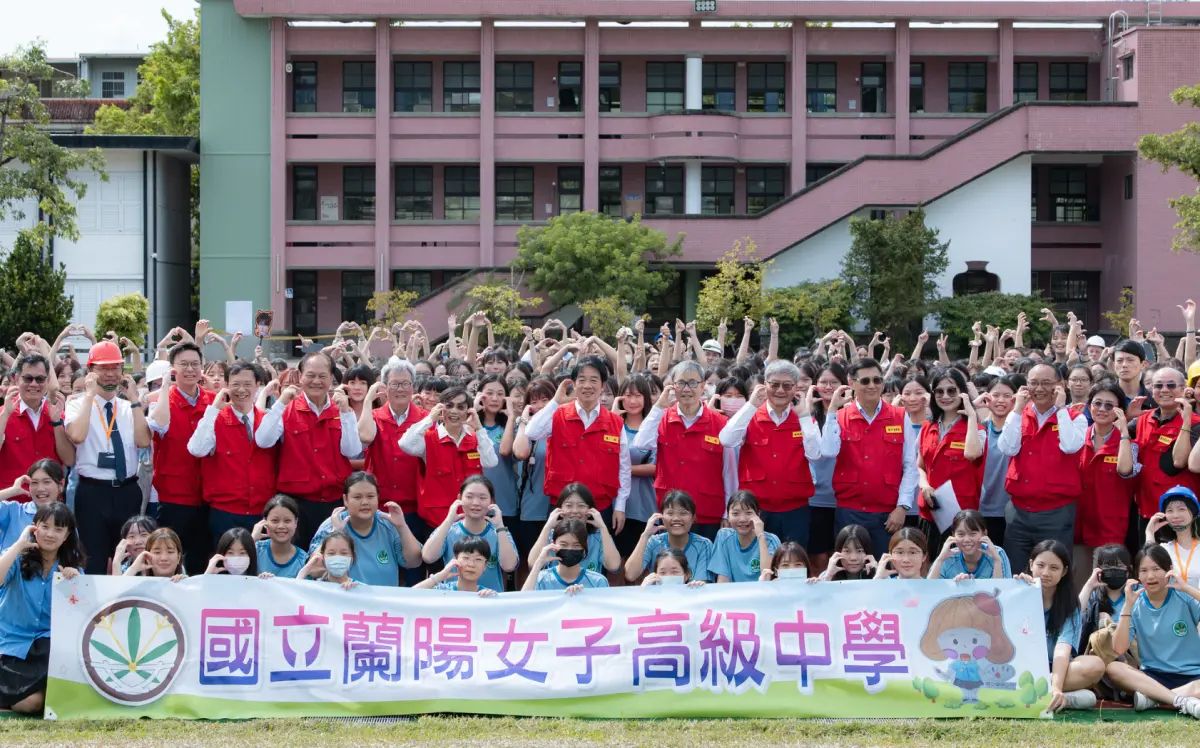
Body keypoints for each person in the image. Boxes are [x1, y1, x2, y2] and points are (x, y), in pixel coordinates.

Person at [255, 352, 363, 549]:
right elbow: (263, 440)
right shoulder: (287, 408)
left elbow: (352, 451)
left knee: (333, 557)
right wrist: (280, 403)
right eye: (310, 375)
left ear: (331, 378)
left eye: (322, 376)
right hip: (297, 503)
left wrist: (346, 413)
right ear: (301, 376)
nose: (316, 381)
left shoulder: (341, 409)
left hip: (334, 501)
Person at [65, 340, 150, 576]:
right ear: (90, 371)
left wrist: (134, 400)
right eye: (104, 368)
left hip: (127, 489)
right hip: (93, 492)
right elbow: (77, 435)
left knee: (129, 558)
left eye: (115, 368)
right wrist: (89, 394)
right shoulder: (77, 405)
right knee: (93, 559)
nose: (111, 374)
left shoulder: (128, 406)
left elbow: (144, 441)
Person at [821, 358, 918, 557]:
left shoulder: (900, 416)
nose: (872, 386)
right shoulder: (839, 417)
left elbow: (910, 465)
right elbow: (828, 451)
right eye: (865, 381)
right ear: (852, 383)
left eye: (877, 380)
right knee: (850, 568)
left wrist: (902, 507)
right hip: (849, 511)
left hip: (888, 514)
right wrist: (831, 411)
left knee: (885, 568)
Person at [523, 356, 630, 535]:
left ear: (603, 386)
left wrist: (620, 506)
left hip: (599, 507)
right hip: (562, 507)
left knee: (599, 552)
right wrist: (555, 402)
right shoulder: (557, 415)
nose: (587, 385)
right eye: (582, 380)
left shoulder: (615, 422)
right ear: (573, 384)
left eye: (593, 380)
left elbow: (624, 468)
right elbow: (531, 432)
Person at [719, 361, 822, 545]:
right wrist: (751, 405)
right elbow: (726, 440)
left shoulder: (804, 419)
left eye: (787, 385)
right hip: (757, 510)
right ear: (764, 385)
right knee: (757, 560)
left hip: (795, 510)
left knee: (793, 560)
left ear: (795, 388)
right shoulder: (751, 415)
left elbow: (815, 454)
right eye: (774, 385)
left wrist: (804, 415)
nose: (780, 390)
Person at [633, 361, 736, 540]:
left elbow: (729, 472)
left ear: (703, 387)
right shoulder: (662, 418)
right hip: (671, 512)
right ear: (673, 386)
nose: (686, 389)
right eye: (681, 383)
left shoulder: (720, 423)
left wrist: (728, 512)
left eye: (693, 383)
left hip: (707, 511)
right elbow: (641, 443)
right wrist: (658, 407)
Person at [998, 363, 1087, 568]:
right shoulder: (1018, 415)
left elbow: (1070, 446)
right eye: (1034, 383)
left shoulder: (1075, 417)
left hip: (1056, 511)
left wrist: (1061, 408)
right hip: (1019, 511)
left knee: (1053, 571)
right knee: (1015, 571)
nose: (1039, 389)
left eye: (1046, 383)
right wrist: (1017, 409)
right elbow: (1007, 448)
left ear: (1059, 385)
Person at [0, 503, 84, 714]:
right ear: (34, 527)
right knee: (29, 704)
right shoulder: (15, 557)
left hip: (49, 650)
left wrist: (76, 585)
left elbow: (82, 617)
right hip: (12, 647)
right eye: (44, 527)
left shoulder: (73, 569)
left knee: (35, 703)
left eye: (58, 529)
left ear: (67, 535)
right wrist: (18, 545)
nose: (50, 534)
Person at [187, 362, 279, 548]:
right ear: (226, 385)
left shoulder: (268, 421)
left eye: (247, 384)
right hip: (225, 512)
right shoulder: (215, 419)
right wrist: (213, 410)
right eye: (235, 384)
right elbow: (196, 449)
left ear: (257, 385)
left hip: (262, 511)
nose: (241, 390)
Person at [1107, 544, 1200, 717]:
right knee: (1114, 668)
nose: (1150, 576)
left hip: (1193, 675)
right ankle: (1180, 700)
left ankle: (1154, 700)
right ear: (1137, 574)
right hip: (1153, 677)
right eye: (1144, 570)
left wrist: (1187, 588)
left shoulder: (1183, 596)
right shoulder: (1134, 603)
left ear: (1169, 569)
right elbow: (1118, 648)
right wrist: (1127, 606)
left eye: (1156, 569)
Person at [149, 342, 217, 575]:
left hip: (208, 496)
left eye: (195, 364)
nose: (190, 369)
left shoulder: (214, 401)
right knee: (168, 563)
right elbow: (157, 425)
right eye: (184, 364)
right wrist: (165, 387)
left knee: (202, 563)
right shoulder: (162, 402)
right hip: (174, 497)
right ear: (172, 368)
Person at [357, 360, 427, 585]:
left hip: (414, 507)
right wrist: (368, 400)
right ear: (384, 387)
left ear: (413, 387)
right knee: (382, 568)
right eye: (394, 384)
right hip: (379, 507)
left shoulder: (425, 418)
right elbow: (365, 437)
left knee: (414, 570)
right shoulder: (374, 416)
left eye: (405, 384)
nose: (400, 389)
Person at [399, 387, 498, 540]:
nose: (454, 411)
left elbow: (491, 462)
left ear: (468, 411)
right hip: (436, 522)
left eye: (460, 407)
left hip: (470, 522)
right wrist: (430, 418)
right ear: (441, 409)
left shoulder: (476, 438)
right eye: (449, 406)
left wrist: (479, 428)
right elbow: (405, 444)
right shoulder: (428, 439)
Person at [1018, 539, 1105, 711]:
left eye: (1054, 568)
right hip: (1021, 667)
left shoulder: (1070, 606)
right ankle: (1062, 697)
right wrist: (1016, 590)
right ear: (1031, 564)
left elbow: (1062, 650)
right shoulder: (1018, 593)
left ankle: (1048, 693)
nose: (1045, 573)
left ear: (1064, 571)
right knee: (1087, 698)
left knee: (1095, 665)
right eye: (1040, 565)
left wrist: (1056, 686)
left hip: (1056, 668)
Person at [308, 472, 422, 587]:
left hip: (383, 598)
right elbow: (314, 570)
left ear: (378, 498)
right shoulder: (333, 524)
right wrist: (335, 532)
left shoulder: (388, 523)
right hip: (344, 596)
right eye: (357, 497)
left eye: (370, 496)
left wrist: (402, 526)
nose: (365, 502)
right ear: (345, 500)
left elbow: (414, 562)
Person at [1075, 380, 1136, 590]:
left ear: (1120, 411)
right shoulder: (1076, 436)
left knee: (1108, 589)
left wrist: (1124, 432)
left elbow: (1126, 470)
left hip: (1110, 528)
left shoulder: (1129, 443)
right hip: (1077, 526)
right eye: (1097, 403)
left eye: (1109, 405)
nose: (1102, 409)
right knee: (1079, 587)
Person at [916, 367, 984, 542]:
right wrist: (924, 485)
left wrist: (971, 416)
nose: (945, 396)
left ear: (962, 392)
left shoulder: (976, 429)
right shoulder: (927, 427)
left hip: (961, 516)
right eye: (939, 391)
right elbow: (920, 466)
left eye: (951, 390)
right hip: (930, 510)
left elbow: (972, 454)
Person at [1133, 366, 1200, 537]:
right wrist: (1127, 416)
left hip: (1180, 514)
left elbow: (1178, 462)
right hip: (1146, 510)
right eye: (1158, 385)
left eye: (1171, 385)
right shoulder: (1141, 420)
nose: (1164, 390)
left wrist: (1185, 422)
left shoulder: (1196, 423)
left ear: (1183, 389)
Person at [421, 475, 518, 593]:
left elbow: (509, 566)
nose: (476, 503)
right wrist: (448, 520)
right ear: (459, 498)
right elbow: (428, 557)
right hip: (454, 598)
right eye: (469, 497)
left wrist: (500, 526)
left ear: (492, 501)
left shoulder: (499, 531)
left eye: (482, 498)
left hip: (489, 599)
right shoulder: (449, 530)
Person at [0, 352, 72, 489]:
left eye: (40, 379)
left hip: (49, 498)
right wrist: (5, 415)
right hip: (12, 498)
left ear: (48, 381)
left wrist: (57, 423)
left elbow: (68, 460)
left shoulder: (57, 413)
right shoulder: (3, 413)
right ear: (17, 379)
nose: (34, 384)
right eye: (28, 378)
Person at [526, 483, 620, 576]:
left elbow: (614, 566)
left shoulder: (598, 536)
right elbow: (533, 564)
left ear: (591, 510)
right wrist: (547, 527)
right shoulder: (550, 534)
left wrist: (603, 527)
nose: (575, 511)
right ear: (560, 509)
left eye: (581, 506)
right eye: (569, 506)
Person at [511, 377, 556, 569]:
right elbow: (521, 453)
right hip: (531, 506)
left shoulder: (563, 425)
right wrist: (523, 421)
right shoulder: (526, 429)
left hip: (557, 504)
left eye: (545, 400)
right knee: (529, 562)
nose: (540, 406)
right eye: (534, 401)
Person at [624, 490, 715, 584]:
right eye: (670, 513)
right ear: (661, 517)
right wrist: (645, 535)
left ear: (693, 518)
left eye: (683, 513)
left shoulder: (704, 545)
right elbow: (630, 575)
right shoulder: (654, 542)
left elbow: (700, 585)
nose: (676, 518)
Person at [808, 362, 847, 576]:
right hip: (815, 498)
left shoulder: (849, 414)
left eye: (834, 382)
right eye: (823, 382)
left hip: (844, 498)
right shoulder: (807, 415)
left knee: (841, 556)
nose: (829, 387)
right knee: (818, 557)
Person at [976, 374, 1022, 547]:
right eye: (995, 395)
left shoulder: (1021, 430)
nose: (1001, 400)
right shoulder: (979, 429)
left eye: (1007, 396)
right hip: (979, 508)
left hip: (1011, 511)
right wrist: (974, 405)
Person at [475, 375, 520, 532]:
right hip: (474, 503)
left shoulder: (512, 427)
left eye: (500, 394)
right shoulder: (469, 425)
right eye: (489, 393)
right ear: (480, 395)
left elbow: (505, 450)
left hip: (505, 502)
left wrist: (512, 417)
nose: (495, 398)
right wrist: (473, 410)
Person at [524, 518, 610, 593]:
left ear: (585, 546)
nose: (570, 549)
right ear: (553, 543)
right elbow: (524, 601)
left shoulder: (598, 581)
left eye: (576, 545)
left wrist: (582, 596)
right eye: (564, 544)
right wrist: (539, 563)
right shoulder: (540, 579)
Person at [711, 491, 780, 583]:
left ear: (758, 515)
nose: (742, 519)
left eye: (748, 513)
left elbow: (768, 576)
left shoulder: (771, 540)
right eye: (735, 514)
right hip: (732, 591)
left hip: (763, 591)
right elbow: (722, 579)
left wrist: (761, 536)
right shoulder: (723, 536)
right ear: (728, 516)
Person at [0, 459, 65, 552]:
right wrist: (12, 490)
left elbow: (71, 556)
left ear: (61, 485)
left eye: (46, 482)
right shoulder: (13, 511)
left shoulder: (66, 518)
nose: (40, 489)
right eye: (34, 482)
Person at [927, 510, 1011, 580]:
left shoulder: (998, 553)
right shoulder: (947, 557)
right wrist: (940, 559)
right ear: (953, 535)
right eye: (961, 534)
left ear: (984, 533)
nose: (967, 539)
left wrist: (996, 560)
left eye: (972, 534)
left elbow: (1003, 591)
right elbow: (930, 589)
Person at [1145, 486, 1200, 588]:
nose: (1175, 515)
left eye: (1181, 509)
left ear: (1194, 512)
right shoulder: (1164, 549)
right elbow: (1149, 567)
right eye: (1170, 510)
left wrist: (1186, 589)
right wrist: (1149, 532)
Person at [1078, 543, 1135, 643]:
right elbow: (1075, 616)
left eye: (1119, 566)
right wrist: (1089, 585)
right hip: (1102, 650)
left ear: (1128, 570)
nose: (1113, 570)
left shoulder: (1136, 593)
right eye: (1107, 566)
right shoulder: (1093, 597)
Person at [414, 536, 498, 597]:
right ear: (455, 561)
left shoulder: (487, 595)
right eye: (466, 558)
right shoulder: (442, 591)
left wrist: (490, 599)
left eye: (478, 559)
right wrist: (440, 576)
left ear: (485, 566)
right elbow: (411, 596)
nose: (471, 564)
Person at [253, 495, 308, 578]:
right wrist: (252, 538)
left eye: (287, 521)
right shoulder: (255, 549)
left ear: (296, 522)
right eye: (275, 520)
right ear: (265, 522)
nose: (281, 526)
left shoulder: (304, 561)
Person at [640, 548, 707, 588]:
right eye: (662, 572)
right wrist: (643, 590)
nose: (668, 576)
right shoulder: (650, 597)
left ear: (686, 575)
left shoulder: (691, 594)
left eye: (674, 572)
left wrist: (698, 592)